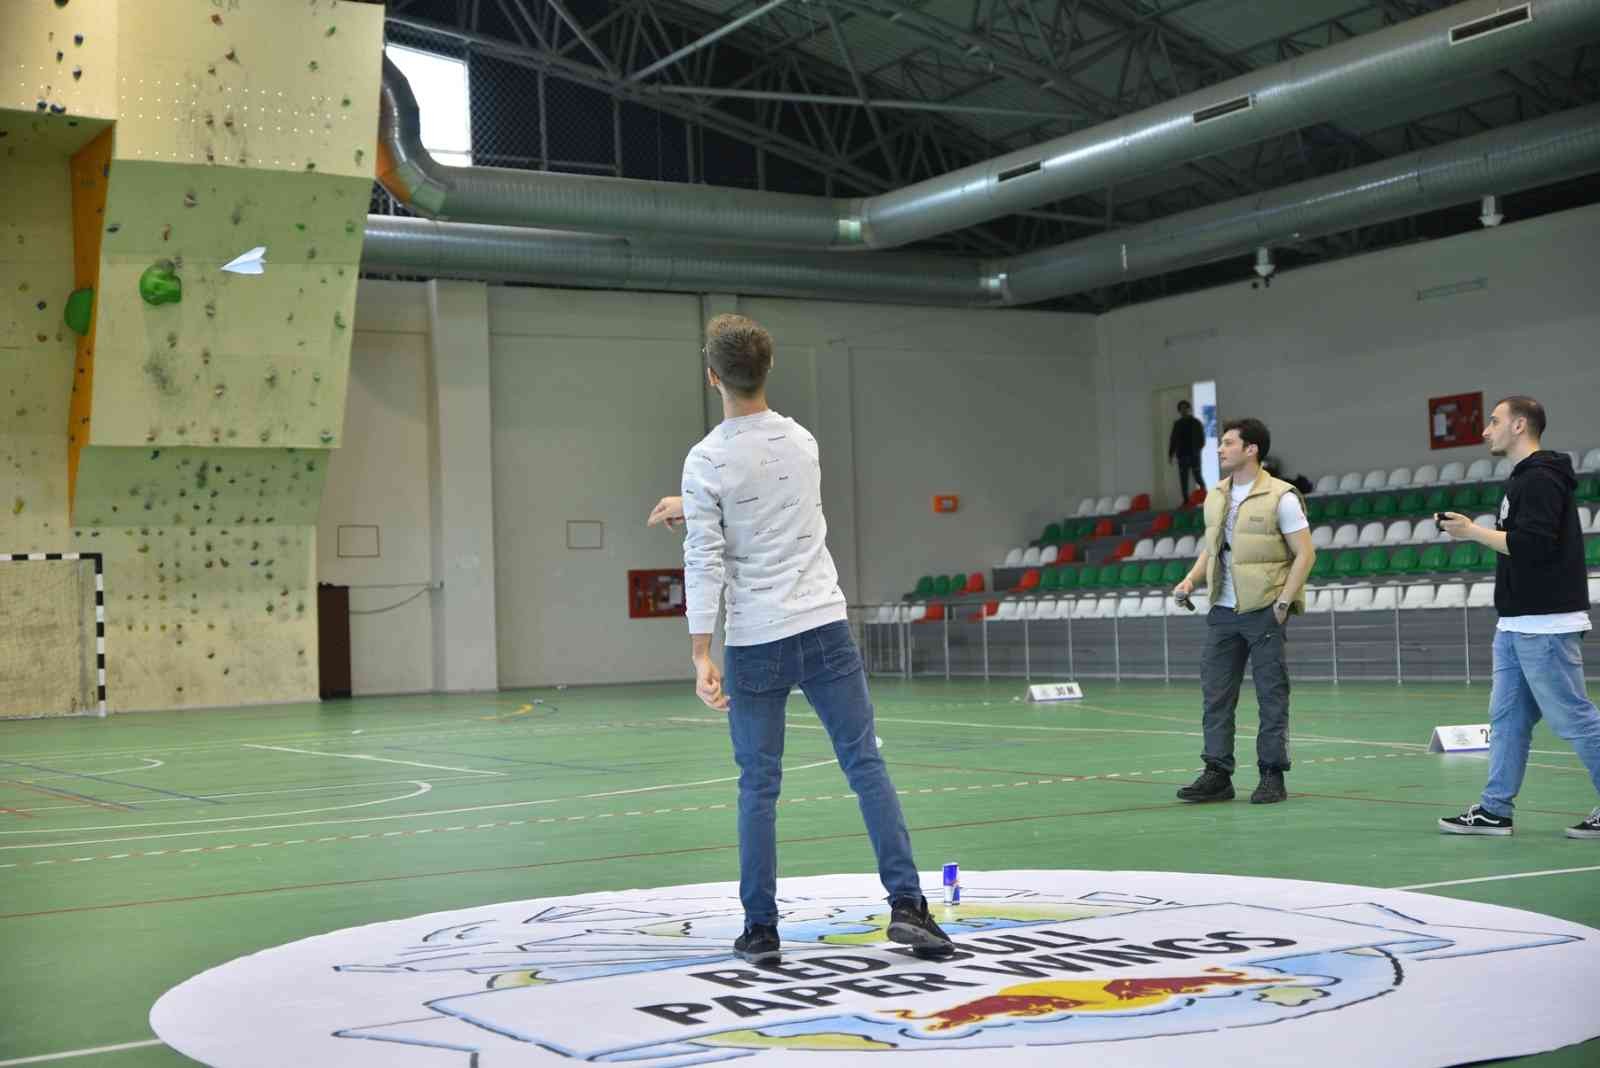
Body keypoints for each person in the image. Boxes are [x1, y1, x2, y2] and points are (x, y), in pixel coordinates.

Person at [646, 314, 956, 963]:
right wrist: (693, 503)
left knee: (758, 787)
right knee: (865, 767)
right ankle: (909, 907)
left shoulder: (706, 460)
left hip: (757, 641)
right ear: (768, 368)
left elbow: (709, 556)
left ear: (712, 377)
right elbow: (767, 503)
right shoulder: (803, 443)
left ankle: (760, 928)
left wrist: (701, 650)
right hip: (823, 628)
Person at [1438, 396, 1600, 840]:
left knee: (1573, 718)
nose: (1486, 430)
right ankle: (1495, 810)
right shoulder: (1520, 481)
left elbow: (1533, 545)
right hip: (1516, 624)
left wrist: (1472, 532)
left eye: (1494, 421)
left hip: (1546, 624)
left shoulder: (1542, 480)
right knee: (1507, 719)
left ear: (1519, 425)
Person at [1172, 418, 1316, 805]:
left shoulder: (1281, 496)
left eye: (1228, 443)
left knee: (1271, 695)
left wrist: (1284, 602)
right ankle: (1217, 773)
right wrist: (1190, 581)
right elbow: (1212, 547)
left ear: (1251, 449)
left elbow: (1306, 553)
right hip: (1222, 610)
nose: (1221, 449)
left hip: (1264, 609)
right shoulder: (1216, 495)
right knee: (1215, 694)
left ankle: (1272, 774)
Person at [1169, 400, 1206, 504]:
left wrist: (1197, 450)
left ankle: (1205, 498)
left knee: (1197, 476)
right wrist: (1171, 454)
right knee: (1183, 479)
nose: (1183, 410)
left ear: (1189, 409)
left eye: (1185, 408)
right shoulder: (1177, 424)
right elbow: (1173, 439)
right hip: (1182, 455)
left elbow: (1202, 439)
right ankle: (1185, 501)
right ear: (1179, 411)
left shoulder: (1196, 422)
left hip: (1194, 455)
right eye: (1181, 408)